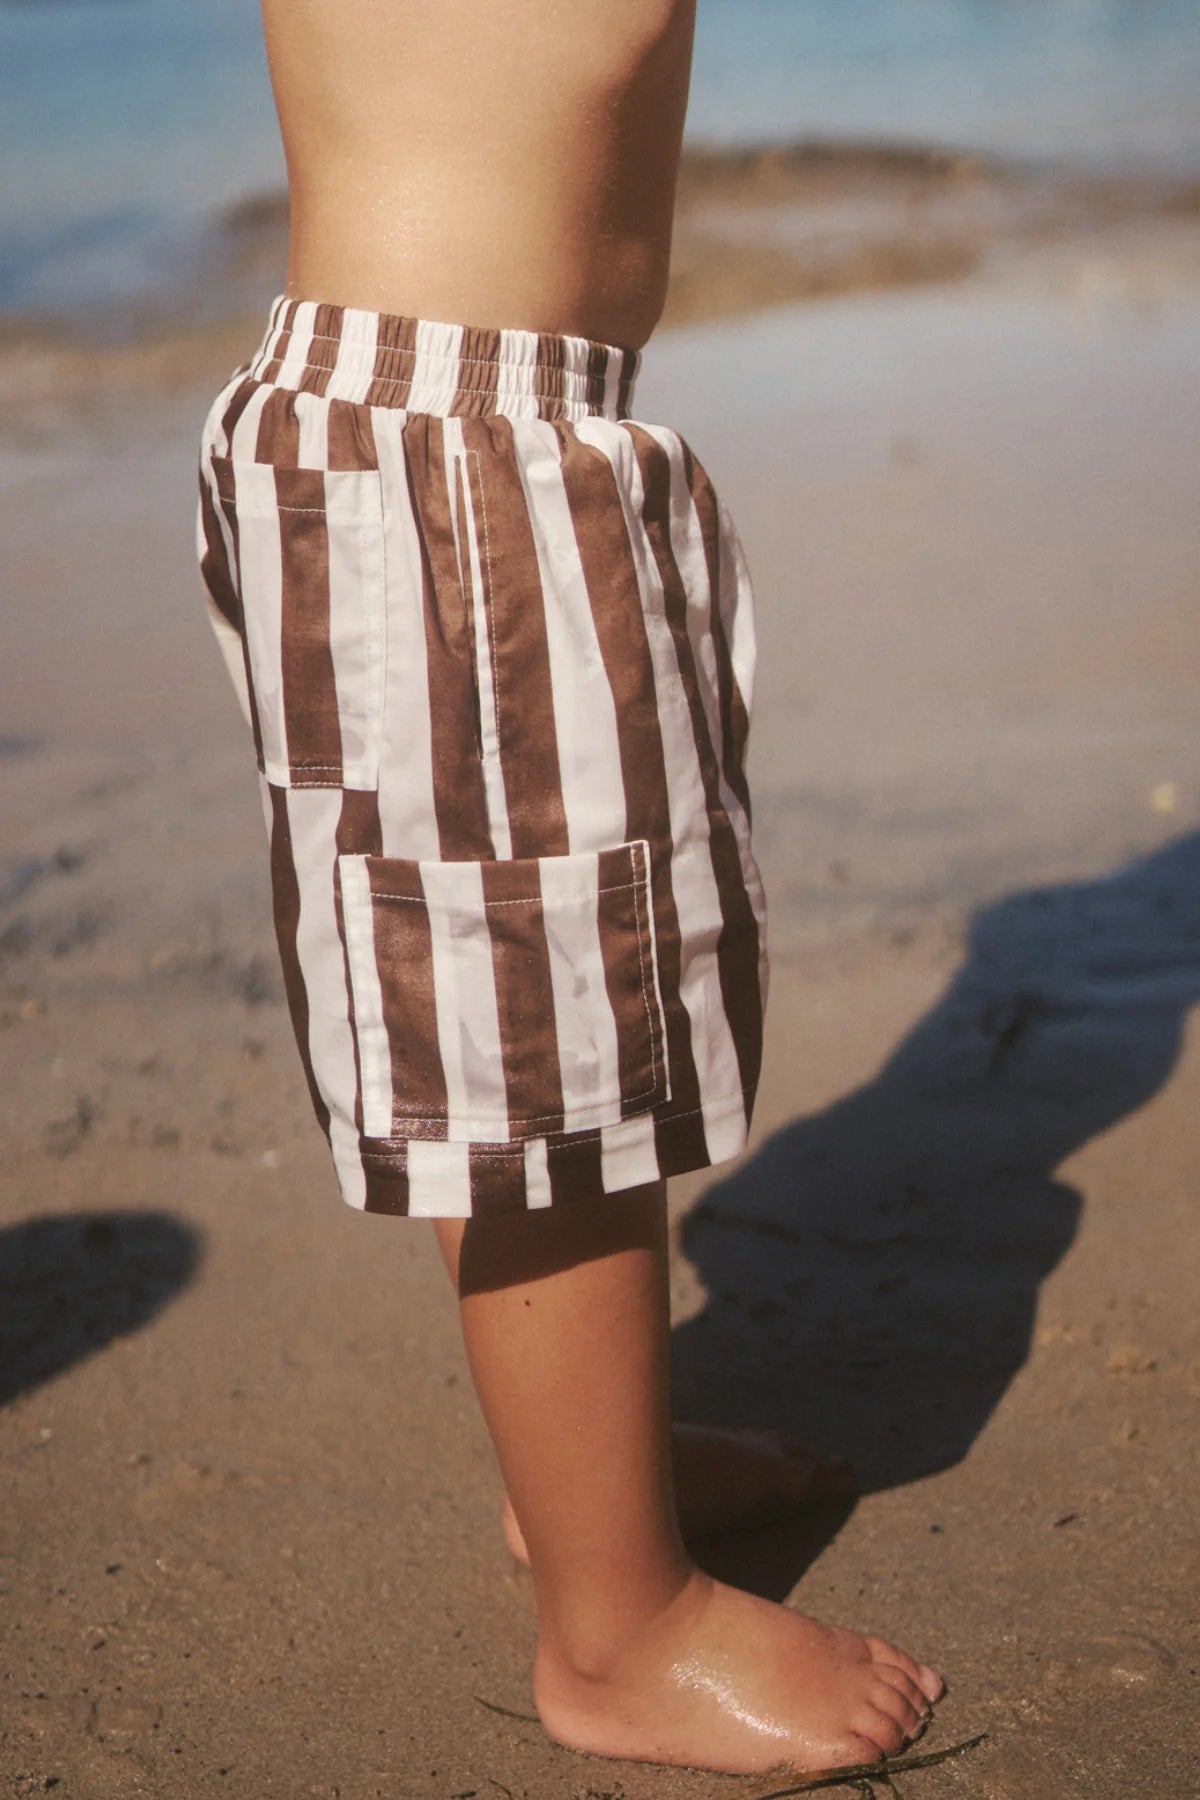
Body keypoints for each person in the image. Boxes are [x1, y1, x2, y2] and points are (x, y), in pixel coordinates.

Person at [194, 0, 944, 1775]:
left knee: (533, 1012)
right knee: (541, 1046)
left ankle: (588, 1487)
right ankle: (618, 1632)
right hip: (450, 446)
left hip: (460, 425)